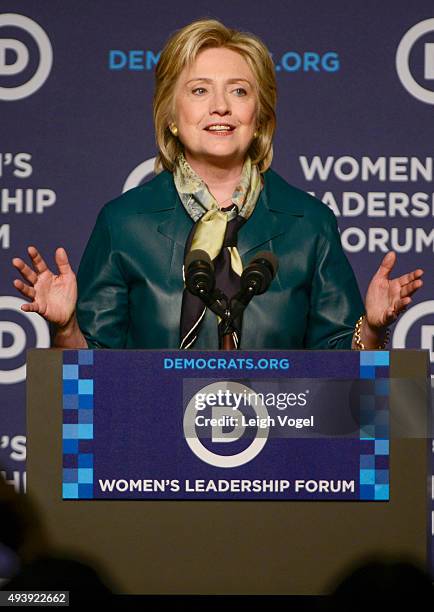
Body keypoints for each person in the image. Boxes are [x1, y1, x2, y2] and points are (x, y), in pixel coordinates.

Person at [11, 19, 423, 350]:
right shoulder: (123, 223)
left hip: (281, 443)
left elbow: (341, 382)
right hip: (150, 446)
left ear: (259, 116)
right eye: (200, 90)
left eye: (239, 91)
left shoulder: (309, 223)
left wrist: (369, 329)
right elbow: (94, 377)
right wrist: (65, 330)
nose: (220, 106)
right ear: (171, 115)